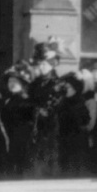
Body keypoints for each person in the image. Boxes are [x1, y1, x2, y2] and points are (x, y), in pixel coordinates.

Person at [28, 41, 66, 178]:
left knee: (50, 161)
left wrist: (42, 110)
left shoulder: (58, 83)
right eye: (39, 64)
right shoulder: (35, 83)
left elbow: (57, 106)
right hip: (36, 128)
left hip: (52, 129)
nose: (40, 66)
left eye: (43, 63)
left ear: (51, 64)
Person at [0, 64, 36, 178]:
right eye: (10, 81)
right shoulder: (9, 99)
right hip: (11, 136)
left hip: (22, 138)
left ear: (22, 83)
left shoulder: (26, 100)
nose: (11, 84)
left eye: (15, 81)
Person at [58, 72, 93, 177]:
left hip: (76, 140)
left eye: (68, 87)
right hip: (64, 139)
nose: (65, 89)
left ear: (75, 88)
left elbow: (84, 121)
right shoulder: (63, 101)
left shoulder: (79, 102)